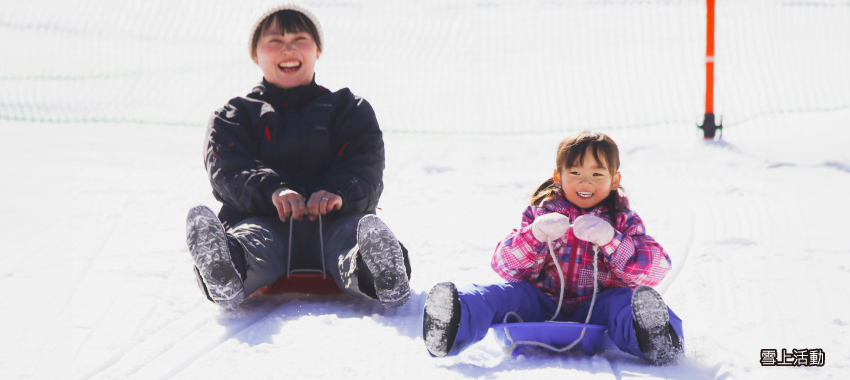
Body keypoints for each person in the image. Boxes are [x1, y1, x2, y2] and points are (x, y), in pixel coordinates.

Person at [185, 4, 411, 310]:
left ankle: (381, 273)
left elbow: (365, 164)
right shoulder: (235, 115)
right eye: (275, 40)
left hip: (336, 221)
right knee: (254, 242)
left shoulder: (347, 108)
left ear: (317, 49)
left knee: (351, 240)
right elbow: (228, 169)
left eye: (299, 39)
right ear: (256, 54)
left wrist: (338, 193)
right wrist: (273, 190)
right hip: (264, 219)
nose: (287, 49)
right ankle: (225, 268)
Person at [422, 131, 683, 365]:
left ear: (615, 180)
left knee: (627, 303)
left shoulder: (622, 220)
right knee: (499, 294)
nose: (585, 183)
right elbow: (503, 265)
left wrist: (611, 240)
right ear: (558, 176)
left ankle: (657, 337)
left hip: (599, 306)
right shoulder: (541, 213)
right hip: (541, 302)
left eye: (597, 174)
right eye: (576, 173)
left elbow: (656, 270)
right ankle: (452, 322)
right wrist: (534, 235)